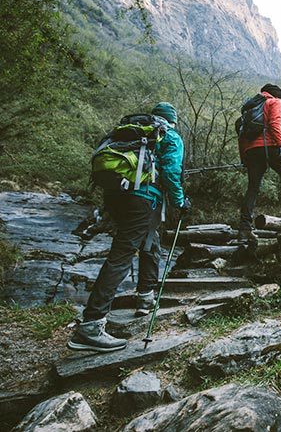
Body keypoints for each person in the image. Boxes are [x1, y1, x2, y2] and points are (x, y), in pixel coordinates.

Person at [68, 102, 190, 352]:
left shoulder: (132, 130)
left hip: (116, 196)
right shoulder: (170, 135)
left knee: (149, 240)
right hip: (142, 198)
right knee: (122, 255)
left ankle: (145, 296)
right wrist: (180, 201)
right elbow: (170, 172)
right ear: (171, 120)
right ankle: (91, 326)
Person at [238, 83, 281, 241]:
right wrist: (280, 145)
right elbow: (274, 124)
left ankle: (244, 227)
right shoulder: (274, 102)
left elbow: (242, 135)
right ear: (277, 95)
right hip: (270, 146)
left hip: (251, 150)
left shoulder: (250, 108)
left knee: (253, 187)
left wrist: (244, 157)